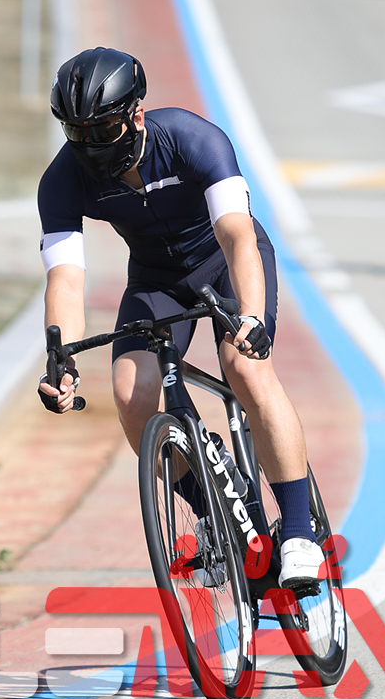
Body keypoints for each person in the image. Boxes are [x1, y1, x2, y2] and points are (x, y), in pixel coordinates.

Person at [37, 46, 325, 590]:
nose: (90, 147)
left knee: (245, 368)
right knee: (132, 396)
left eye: (103, 131)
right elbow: (66, 280)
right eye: (76, 133)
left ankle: (298, 531)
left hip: (226, 262)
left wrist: (252, 316)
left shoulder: (192, 138)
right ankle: (215, 512)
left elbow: (237, 235)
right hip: (156, 280)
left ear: (137, 116)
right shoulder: (61, 180)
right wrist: (63, 361)